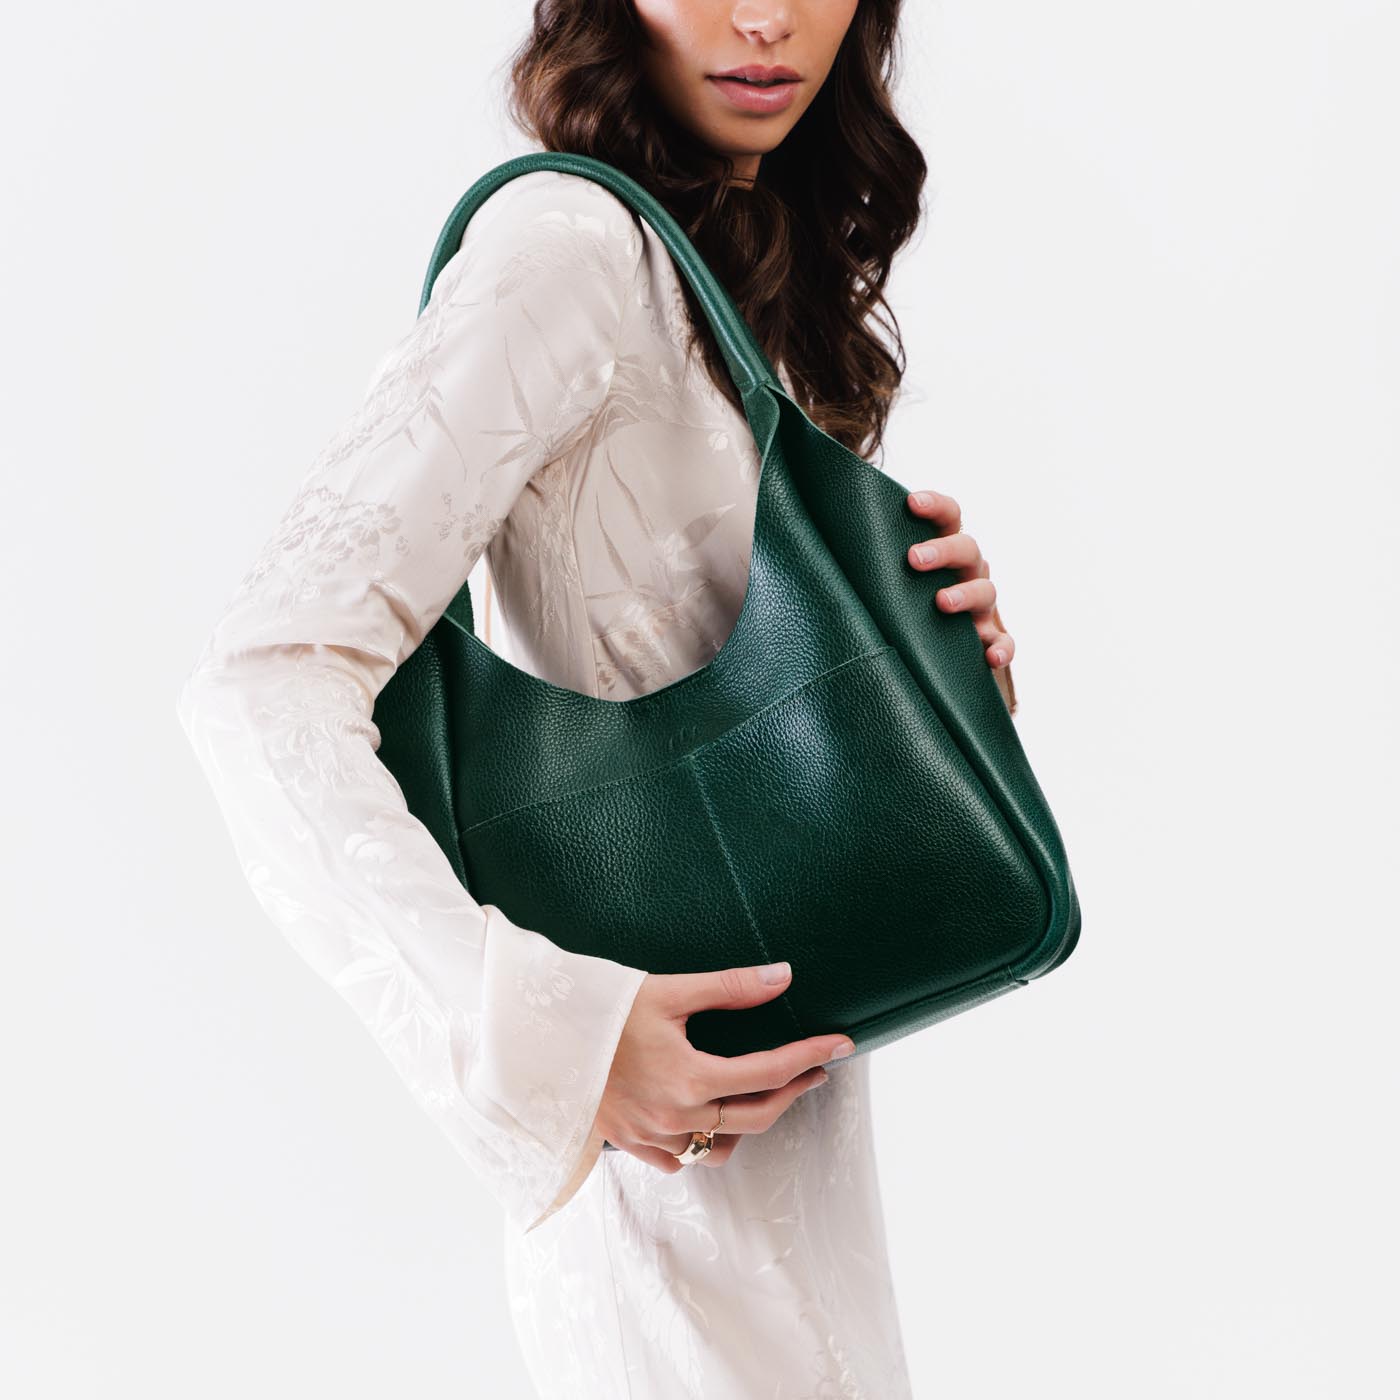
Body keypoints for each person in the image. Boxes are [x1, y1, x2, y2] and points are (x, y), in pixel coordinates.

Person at [176, 1, 1018, 1394]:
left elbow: (718, 718)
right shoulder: (567, 247)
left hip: (775, 1194)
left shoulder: (721, 269)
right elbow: (262, 678)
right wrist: (550, 1035)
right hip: (660, 1221)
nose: (767, 16)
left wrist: (927, 669)